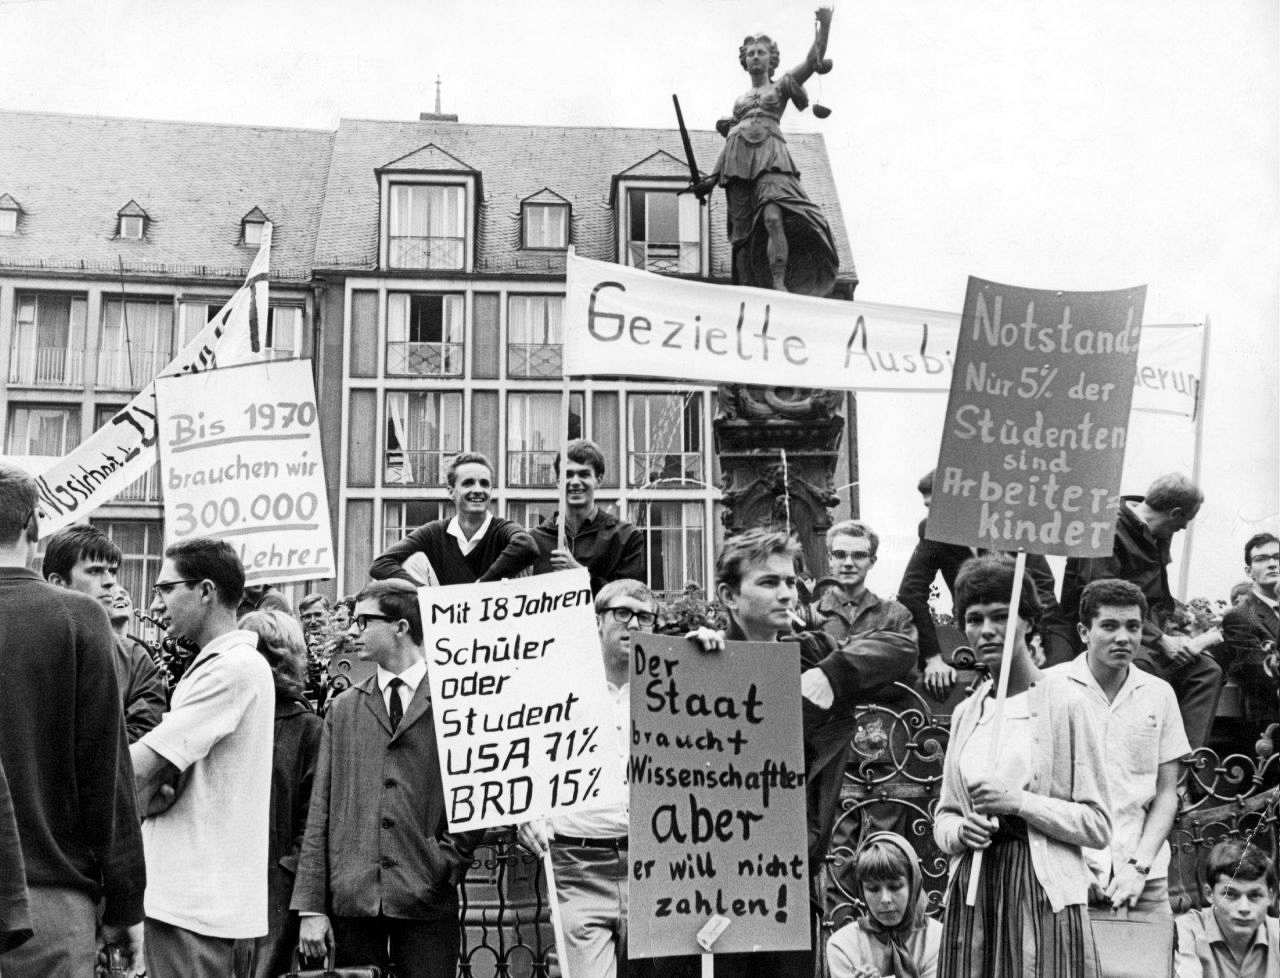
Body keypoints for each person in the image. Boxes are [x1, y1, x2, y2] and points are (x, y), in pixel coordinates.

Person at [293, 580, 483, 978]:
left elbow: (478, 792)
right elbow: (320, 811)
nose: (353, 630)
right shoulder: (344, 708)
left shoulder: (456, 700)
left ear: (400, 626)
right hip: (355, 899)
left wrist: (446, 862)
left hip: (426, 895)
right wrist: (312, 906)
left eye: (364, 621)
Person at [933, 554, 1110, 978]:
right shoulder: (967, 713)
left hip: (1040, 895)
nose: (987, 630)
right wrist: (960, 831)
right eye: (974, 619)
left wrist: (1019, 802)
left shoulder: (1066, 702)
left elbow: (1097, 825)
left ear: (1028, 622)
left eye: (1002, 615)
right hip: (975, 892)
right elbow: (944, 816)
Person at [0, 463, 145, 977]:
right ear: (32, 530)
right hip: (50, 906)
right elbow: (106, 776)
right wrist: (127, 904)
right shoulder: (79, 619)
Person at [130, 537, 275, 978]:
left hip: (194, 904)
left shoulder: (231, 668)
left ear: (206, 590)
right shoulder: (223, 665)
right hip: (198, 902)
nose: (156, 604)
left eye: (166, 588)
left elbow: (142, 764)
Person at [1040, 473, 1222, 750]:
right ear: (1174, 513)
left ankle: (1185, 769)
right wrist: (1160, 639)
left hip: (1149, 635)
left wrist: (1178, 631)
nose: (1181, 530)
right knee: (1145, 672)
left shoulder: (1157, 532)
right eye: (1181, 524)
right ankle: (1143, 762)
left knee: (1206, 671)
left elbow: (1159, 597)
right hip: (1109, 633)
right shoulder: (1103, 528)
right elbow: (1098, 599)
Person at [1048, 578, 1188, 916]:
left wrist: (1138, 868)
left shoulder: (1159, 693)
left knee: (1148, 967)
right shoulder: (1051, 686)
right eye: (1109, 626)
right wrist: (1074, 867)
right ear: (1084, 631)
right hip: (1066, 874)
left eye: (1133, 626)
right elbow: (1040, 794)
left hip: (1144, 873)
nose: (1123, 638)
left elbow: (1167, 792)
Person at [695, 7, 839, 295]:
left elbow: (813, 60)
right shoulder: (740, 101)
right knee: (742, 235)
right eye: (751, 53)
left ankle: (778, 282)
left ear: (771, 59)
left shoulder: (781, 87)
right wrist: (711, 178)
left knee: (774, 216)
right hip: (737, 162)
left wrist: (824, 25)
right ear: (745, 61)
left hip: (771, 157)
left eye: (761, 52)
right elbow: (731, 138)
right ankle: (748, 288)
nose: (756, 57)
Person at [897, 469, 1059, 700]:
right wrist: (932, 657)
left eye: (937, 506)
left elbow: (1042, 586)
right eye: (927, 507)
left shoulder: (1012, 523)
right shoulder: (932, 530)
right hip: (973, 625)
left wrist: (1036, 639)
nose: (933, 514)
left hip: (1022, 622)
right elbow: (910, 593)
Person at [239, 610, 323, 978]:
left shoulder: (306, 729)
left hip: (276, 890)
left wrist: (298, 890)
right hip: (229, 884)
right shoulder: (227, 716)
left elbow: (314, 822)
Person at [42, 524, 166, 742]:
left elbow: (144, 734)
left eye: (112, 571)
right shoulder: (26, 647)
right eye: (94, 571)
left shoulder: (134, 657)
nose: (110, 581)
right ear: (58, 583)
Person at [370, 452, 539, 586]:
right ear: (451, 491)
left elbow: (527, 545)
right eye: (468, 483)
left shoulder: (502, 529)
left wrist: (482, 586)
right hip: (443, 622)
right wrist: (424, 593)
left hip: (493, 624)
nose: (478, 490)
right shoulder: (434, 532)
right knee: (414, 561)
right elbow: (381, 564)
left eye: (485, 484)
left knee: (522, 564)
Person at [809, 519, 919, 690]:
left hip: (882, 713)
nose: (848, 563)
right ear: (830, 559)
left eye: (858, 555)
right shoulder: (809, 615)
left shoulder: (896, 616)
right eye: (840, 554)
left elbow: (906, 677)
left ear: (872, 561)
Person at [526, 440, 645, 595]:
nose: (575, 482)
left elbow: (630, 599)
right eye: (568, 475)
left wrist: (578, 575)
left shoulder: (626, 537)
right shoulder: (533, 541)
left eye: (584, 474)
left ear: (599, 480)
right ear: (557, 482)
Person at [826, 831, 943, 978]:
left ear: (913, 886)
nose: (885, 899)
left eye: (895, 887)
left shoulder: (937, 938)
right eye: (873, 889)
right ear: (862, 891)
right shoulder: (843, 945)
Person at [1174, 839, 1280, 978]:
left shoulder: (1276, 933)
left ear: (1270, 897)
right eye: (1230, 894)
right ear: (1209, 894)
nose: (1244, 908)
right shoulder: (1189, 930)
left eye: (1254, 895)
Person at [1218, 533, 1280, 729]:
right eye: (1261, 559)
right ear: (1249, 571)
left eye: (1278, 557)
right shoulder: (1244, 615)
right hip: (1270, 725)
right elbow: (1262, 676)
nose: (1272, 564)